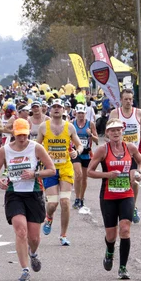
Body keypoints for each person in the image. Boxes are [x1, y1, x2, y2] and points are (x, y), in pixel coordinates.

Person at [0, 119, 56, 281]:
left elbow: (51, 170)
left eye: (24, 134)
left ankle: (33, 253)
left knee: (34, 238)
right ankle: (25, 269)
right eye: (19, 134)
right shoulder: (5, 150)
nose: (22, 138)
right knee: (21, 231)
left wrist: (35, 174)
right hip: (14, 194)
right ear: (13, 133)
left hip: (33, 193)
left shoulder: (36, 148)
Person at [87, 118, 141, 279]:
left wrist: (138, 172)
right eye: (112, 130)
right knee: (111, 235)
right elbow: (90, 172)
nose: (116, 133)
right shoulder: (102, 150)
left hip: (127, 194)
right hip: (108, 195)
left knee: (125, 229)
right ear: (107, 133)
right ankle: (110, 251)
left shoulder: (130, 147)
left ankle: (123, 267)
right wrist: (107, 175)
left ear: (122, 131)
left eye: (118, 130)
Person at [37, 99, 83, 246]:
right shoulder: (44, 127)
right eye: (54, 107)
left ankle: (63, 235)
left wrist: (77, 151)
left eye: (59, 107)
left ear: (64, 110)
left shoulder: (69, 127)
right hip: (50, 169)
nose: (57, 109)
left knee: (65, 202)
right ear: (50, 110)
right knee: (53, 204)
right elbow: (37, 146)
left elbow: (80, 144)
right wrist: (40, 158)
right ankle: (49, 217)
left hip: (65, 168)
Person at [109, 89, 141, 223]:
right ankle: (118, 206)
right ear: (121, 100)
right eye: (125, 99)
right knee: (119, 180)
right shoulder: (115, 113)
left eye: (130, 99)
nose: (128, 101)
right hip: (119, 153)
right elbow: (108, 129)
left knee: (134, 180)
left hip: (134, 152)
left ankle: (133, 206)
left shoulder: (138, 112)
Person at [72, 104, 99, 209]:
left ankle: (82, 198)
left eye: (82, 113)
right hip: (76, 153)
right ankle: (77, 198)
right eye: (79, 113)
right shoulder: (72, 124)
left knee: (84, 178)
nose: (81, 115)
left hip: (86, 153)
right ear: (75, 113)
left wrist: (90, 135)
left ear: (85, 114)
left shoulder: (90, 124)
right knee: (78, 175)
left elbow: (97, 141)